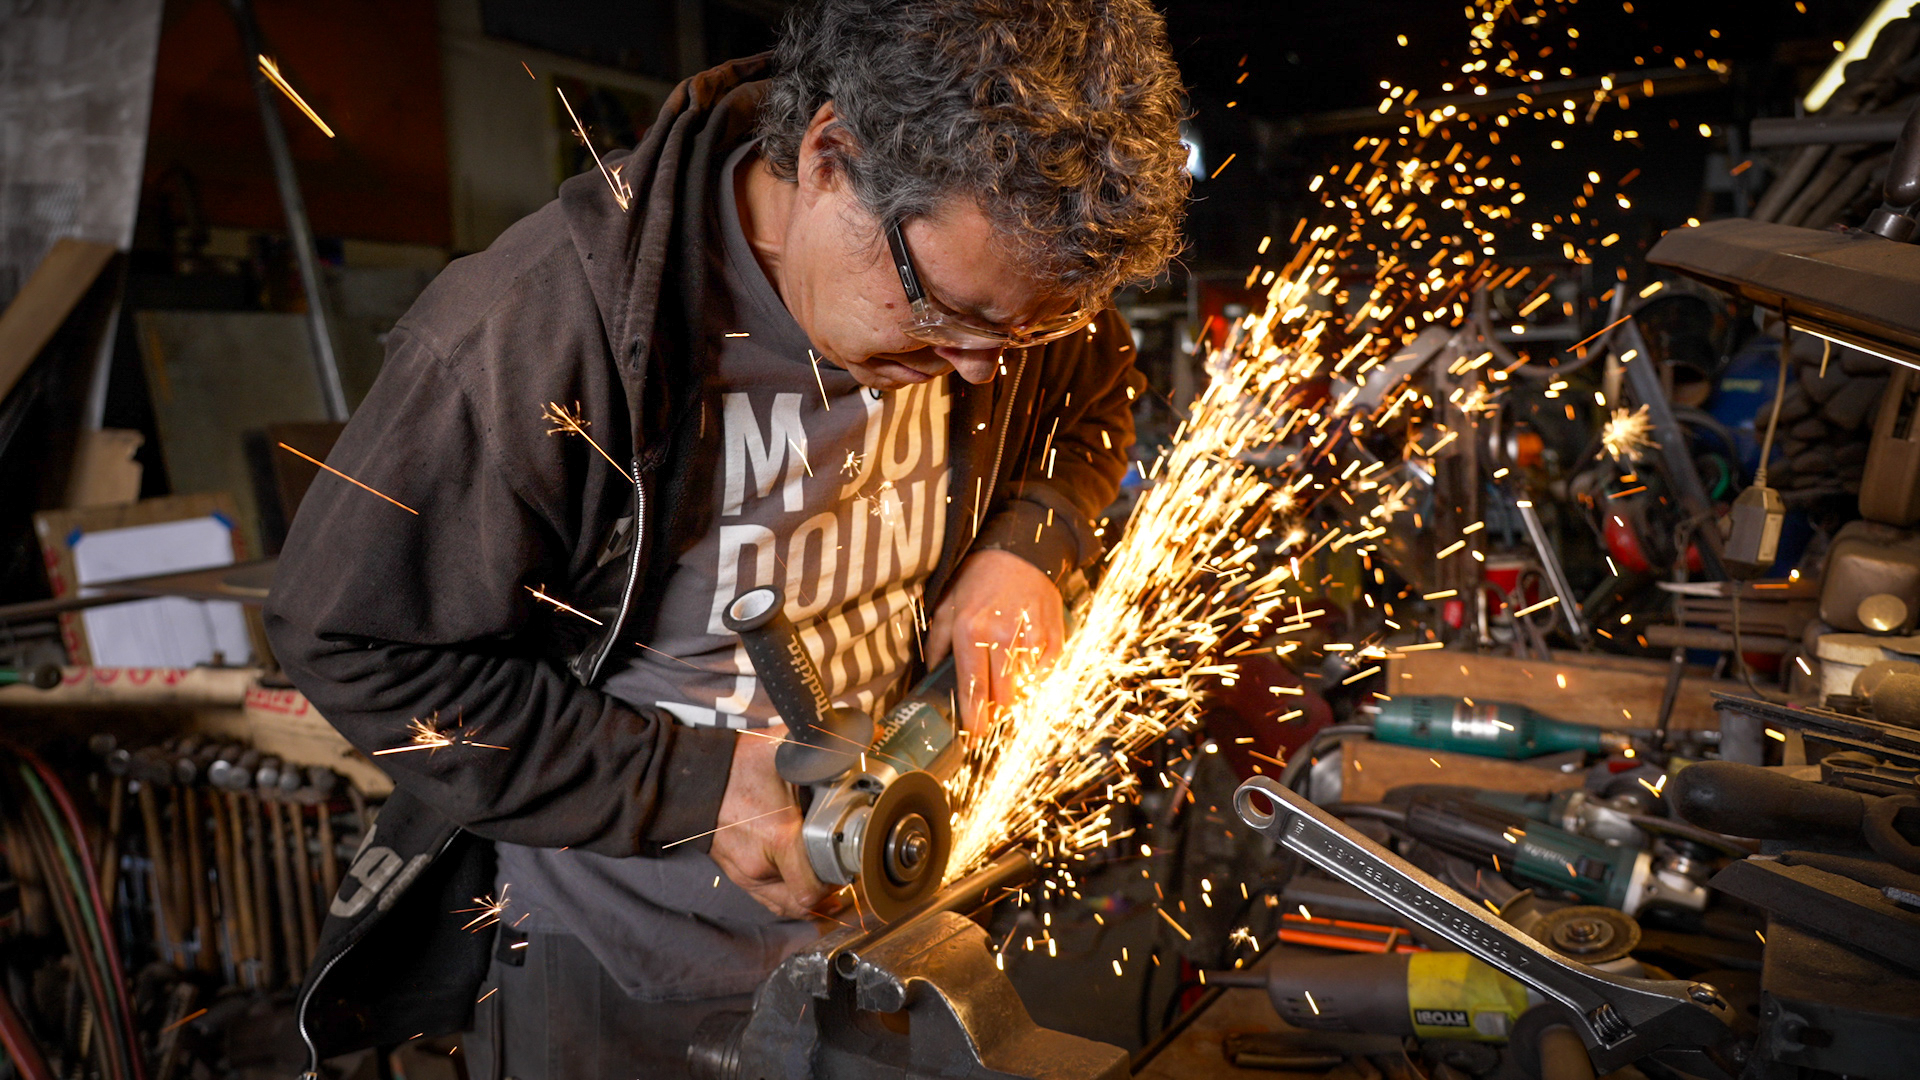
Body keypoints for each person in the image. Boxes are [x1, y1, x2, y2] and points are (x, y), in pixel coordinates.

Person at [265, 0, 1188, 1075]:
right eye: (944, 312)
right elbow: (356, 643)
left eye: (1022, 331)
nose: (986, 364)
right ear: (831, 155)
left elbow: (1096, 402)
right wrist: (697, 786)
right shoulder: (537, 334)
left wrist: (1030, 547)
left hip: (890, 925)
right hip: (621, 974)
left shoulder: (1003, 278)